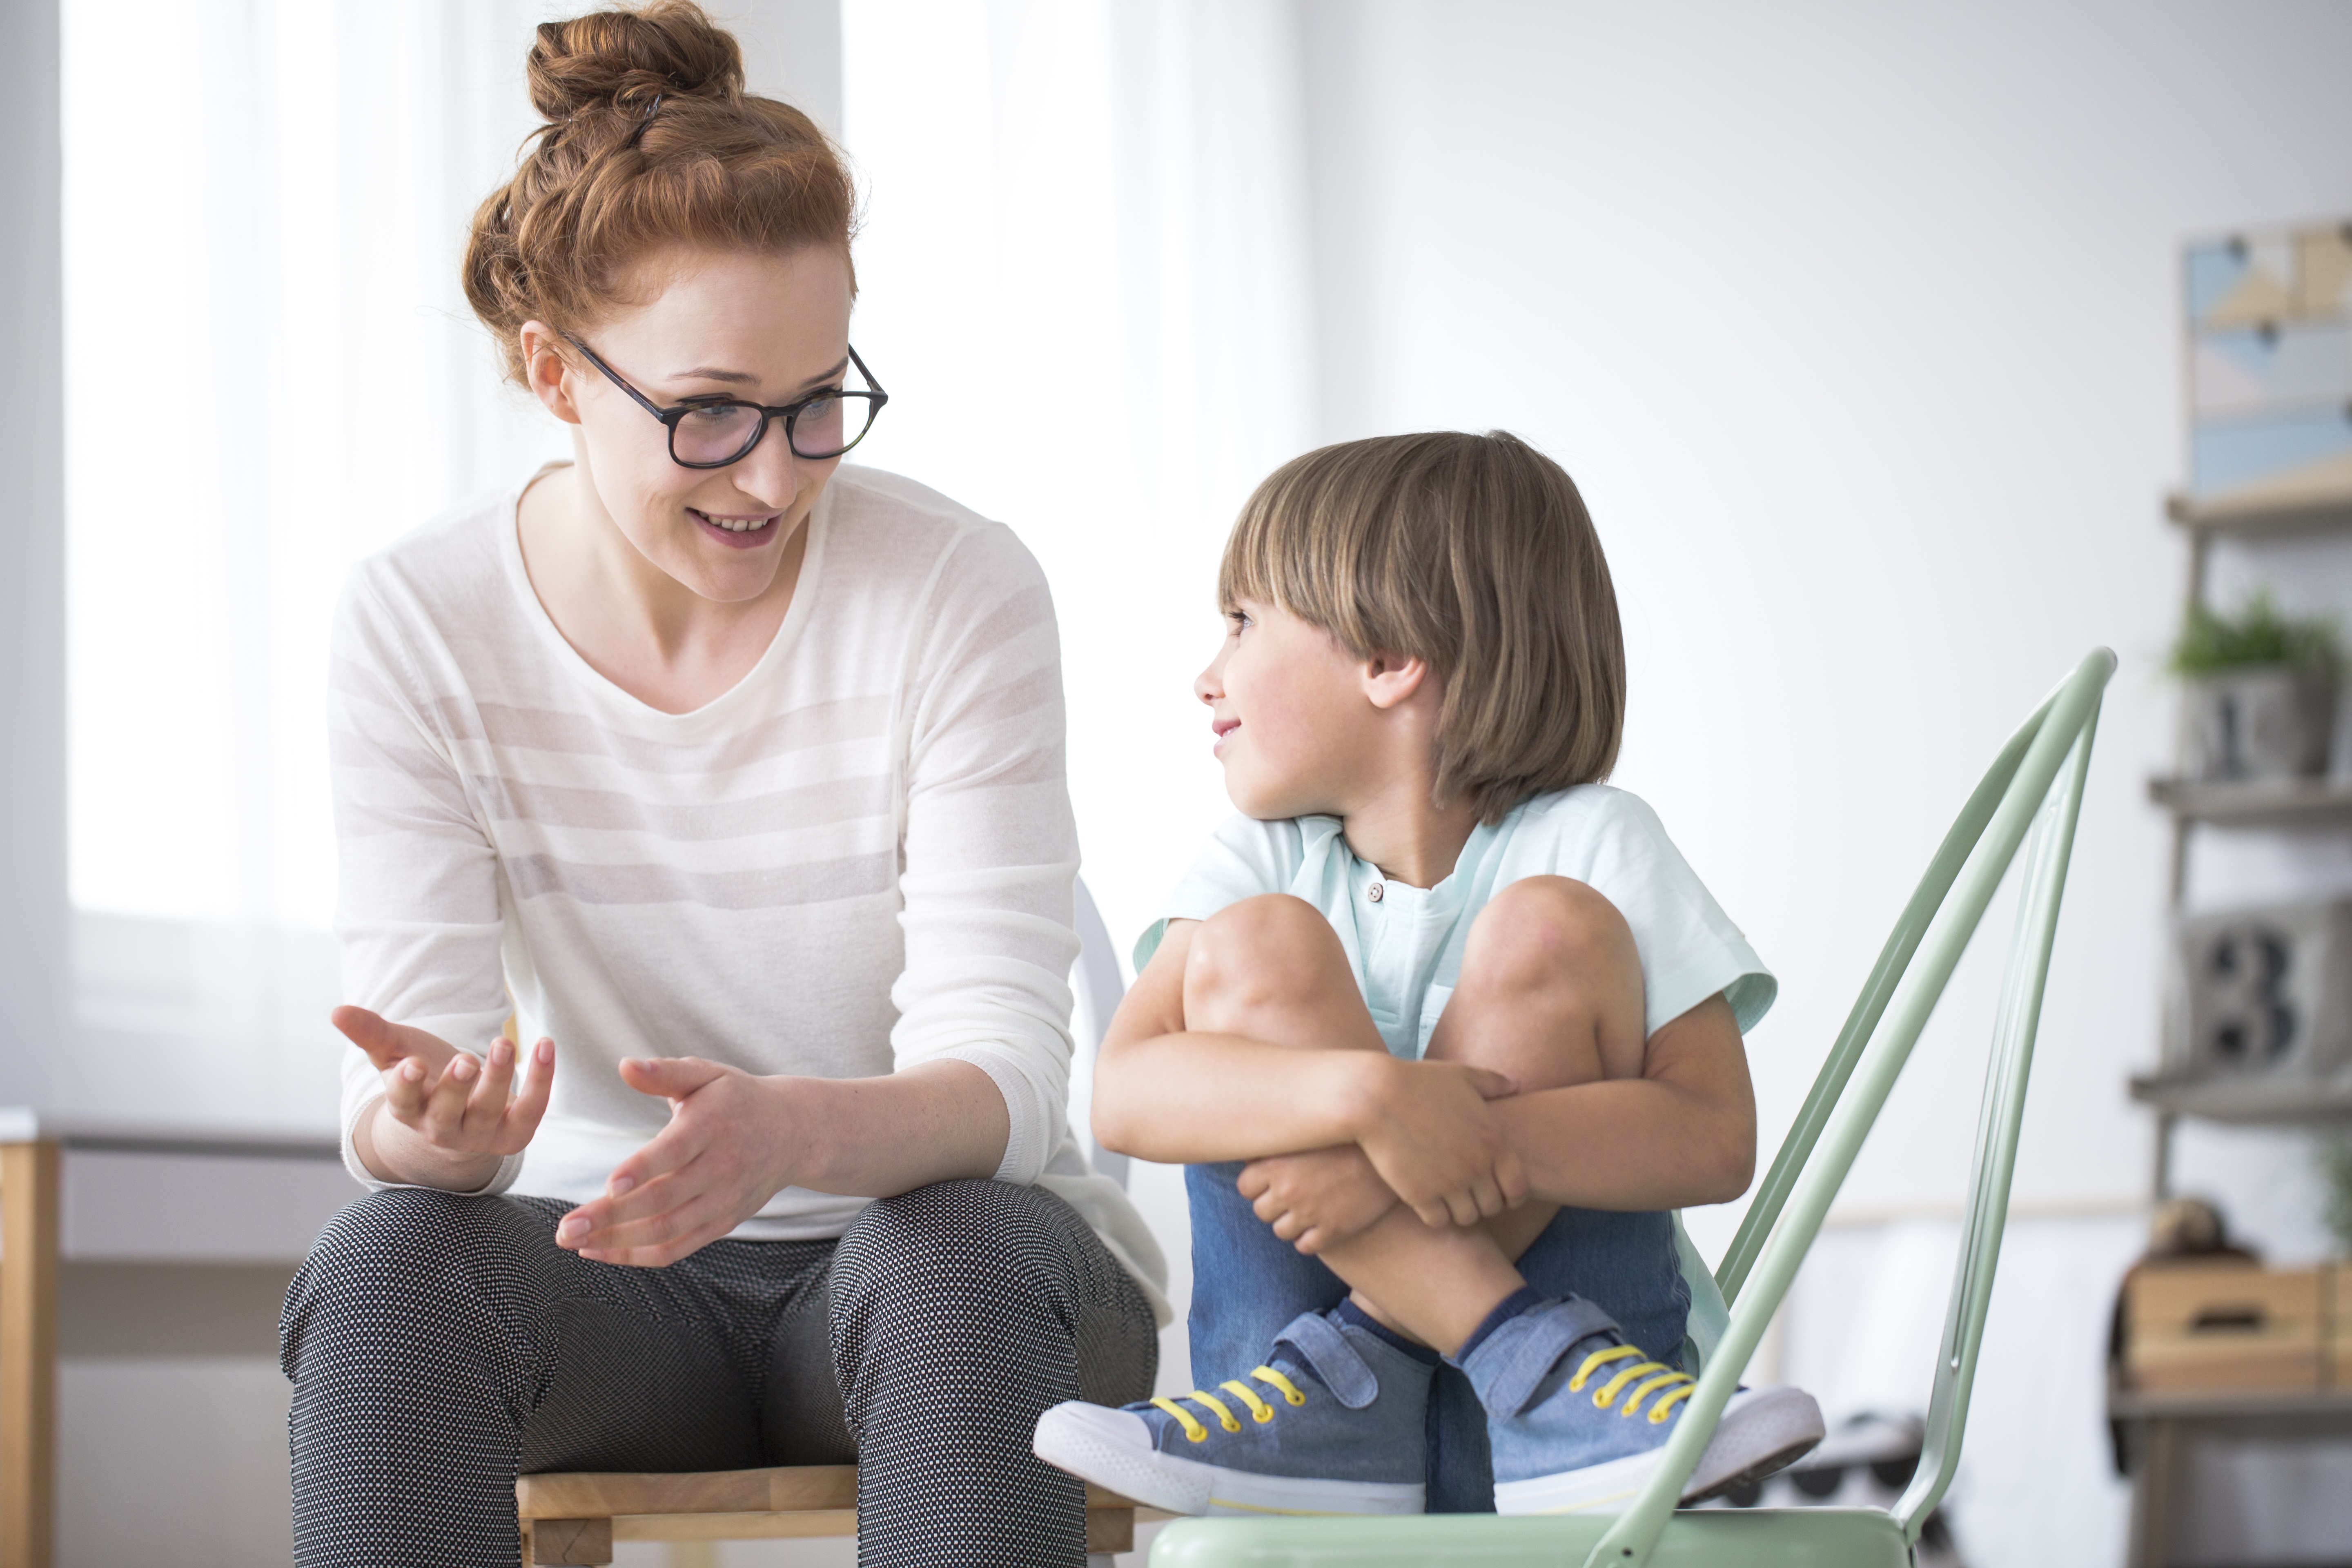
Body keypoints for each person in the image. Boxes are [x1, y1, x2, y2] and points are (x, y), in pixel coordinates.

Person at [275, 6, 1163, 1566]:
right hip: (616, 1291)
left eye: (820, 399)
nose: (776, 474)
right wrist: (440, 1129)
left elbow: (1011, 1089)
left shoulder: (955, 587)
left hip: (952, 1285)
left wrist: (796, 1135)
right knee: (386, 1266)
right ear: (555, 372)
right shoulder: (419, 621)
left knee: (953, 1251)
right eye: (709, 412)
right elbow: (398, 1105)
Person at [1033, 432, 1821, 1517]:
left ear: (1389, 656)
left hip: (1589, 1452)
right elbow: (1124, 1097)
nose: (1206, 673)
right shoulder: (1258, 862)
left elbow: (1713, 1135)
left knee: (1549, 930)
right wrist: (1373, 1102)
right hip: (1301, 1450)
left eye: (1243, 621)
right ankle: (1506, 1358)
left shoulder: (1595, 843)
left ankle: (1459, 1377)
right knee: (1262, 946)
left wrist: (1459, 1144)